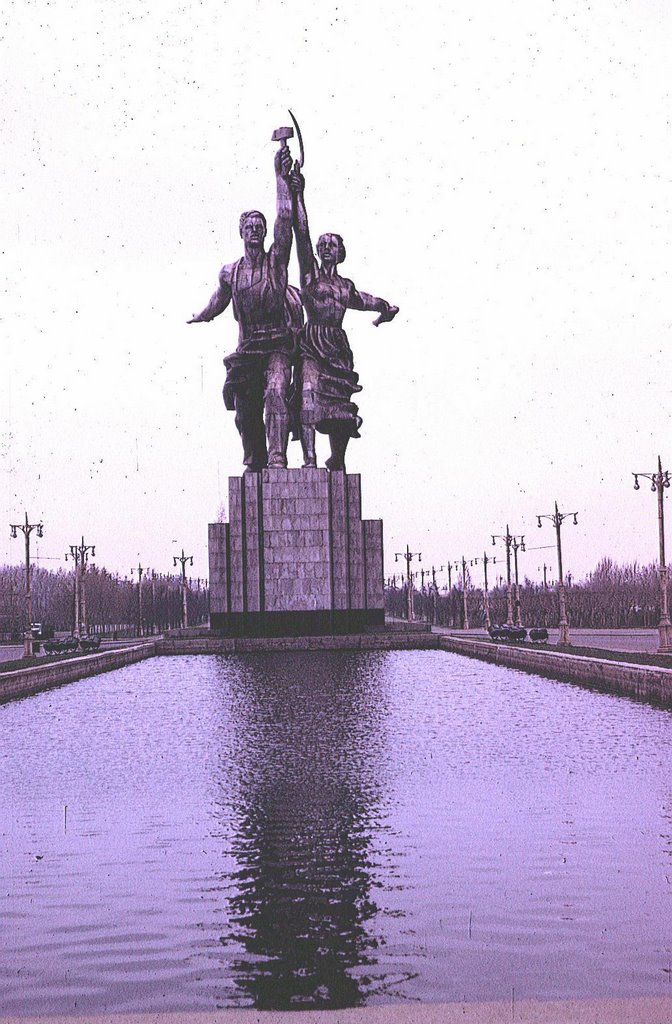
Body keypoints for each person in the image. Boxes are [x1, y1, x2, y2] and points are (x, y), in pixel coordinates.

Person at [188, 145, 295, 471]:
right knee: (245, 410)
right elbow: (219, 300)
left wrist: (281, 178)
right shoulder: (230, 272)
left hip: (276, 345)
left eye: (259, 227)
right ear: (241, 232)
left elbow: (286, 218)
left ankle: (277, 456)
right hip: (247, 350)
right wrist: (203, 315)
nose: (255, 231)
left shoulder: (275, 262)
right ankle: (255, 459)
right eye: (249, 227)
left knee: (276, 394)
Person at [288, 165, 399, 470]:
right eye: (322, 245)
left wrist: (384, 307)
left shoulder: (344, 286)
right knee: (308, 394)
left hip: (337, 347)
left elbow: (365, 300)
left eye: (331, 246)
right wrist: (298, 193)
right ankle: (309, 459)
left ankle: (337, 458)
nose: (325, 248)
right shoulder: (310, 276)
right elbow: (303, 232)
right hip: (313, 342)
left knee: (340, 406)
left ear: (340, 253)